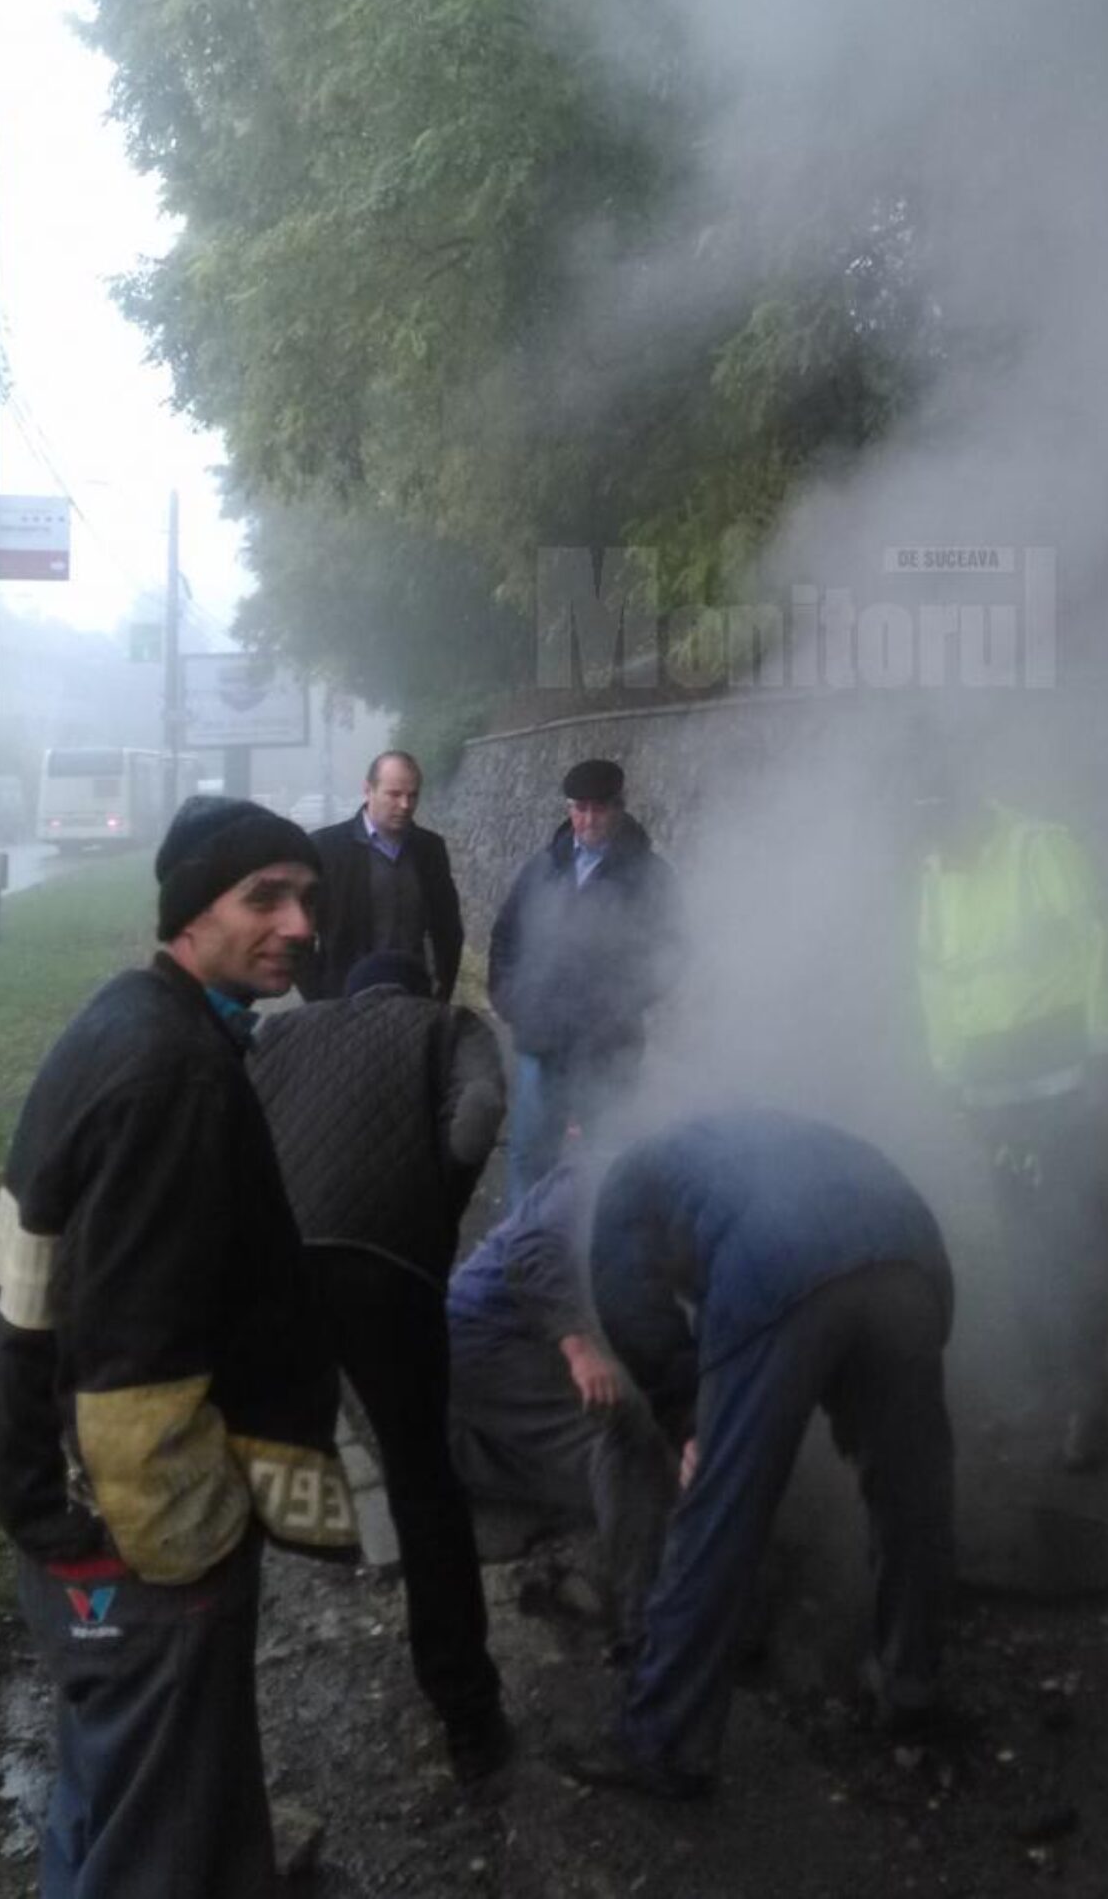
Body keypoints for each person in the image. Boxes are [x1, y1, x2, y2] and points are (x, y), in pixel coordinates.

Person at [0, 797, 358, 1899]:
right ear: (190, 912)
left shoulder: (130, 1017)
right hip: (136, 1541)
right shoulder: (175, 1072)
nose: (300, 925)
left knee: (112, 1794)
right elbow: (132, 1368)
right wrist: (190, 1553)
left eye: (307, 898)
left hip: (61, 1504)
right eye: (264, 898)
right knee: (156, 1835)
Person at [555, 1108, 956, 1798]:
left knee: (720, 1511)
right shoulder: (742, 1139)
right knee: (911, 1484)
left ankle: (662, 1742)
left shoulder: (626, 1179)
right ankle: (909, 1684)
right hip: (912, 1253)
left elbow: (632, 1311)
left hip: (781, 1262)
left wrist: (689, 1420)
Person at [247, 949, 514, 1782]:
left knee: (242, 1460)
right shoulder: (450, 1024)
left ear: (351, 996)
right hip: (387, 1272)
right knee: (422, 1480)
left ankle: (221, 1720)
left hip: (275, 1266)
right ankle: (468, 1716)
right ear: (416, 991)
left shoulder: (282, 1031)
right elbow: (478, 1112)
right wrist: (437, 1197)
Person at [915, 771, 1108, 1470]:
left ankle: (1087, 1401)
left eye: (942, 835)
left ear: (968, 812)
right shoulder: (936, 870)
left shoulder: (1040, 848)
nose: (937, 852)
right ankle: (1046, 1387)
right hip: (994, 1099)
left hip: (1067, 1094)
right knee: (1025, 1244)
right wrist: (950, 1081)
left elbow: (1102, 942)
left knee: (1077, 1241)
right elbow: (935, 980)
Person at [445, 1156, 678, 1658]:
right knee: (621, 1433)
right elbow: (531, 1251)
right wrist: (582, 1350)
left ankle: (465, 1458)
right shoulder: (605, 1171)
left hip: (514, 1348)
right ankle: (648, 1629)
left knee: (628, 1467)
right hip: (484, 1337)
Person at [487, 758, 682, 1200]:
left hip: (609, 1046)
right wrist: (513, 1002)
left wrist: (622, 1002)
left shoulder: (651, 876)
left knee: (607, 1159)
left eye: (599, 809)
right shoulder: (542, 868)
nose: (588, 820)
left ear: (619, 808)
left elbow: (674, 950)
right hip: (541, 1039)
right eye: (579, 808)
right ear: (569, 808)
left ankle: (595, 1238)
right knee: (530, 1156)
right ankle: (522, 1238)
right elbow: (505, 937)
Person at [309, 752, 464, 1001]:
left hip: (414, 999)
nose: (405, 805)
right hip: (345, 1002)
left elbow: (448, 929)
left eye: (412, 795)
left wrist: (442, 990)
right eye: (394, 794)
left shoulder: (430, 849)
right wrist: (319, 997)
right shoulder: (326, 848)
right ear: (368, 790)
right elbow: (302, 932)